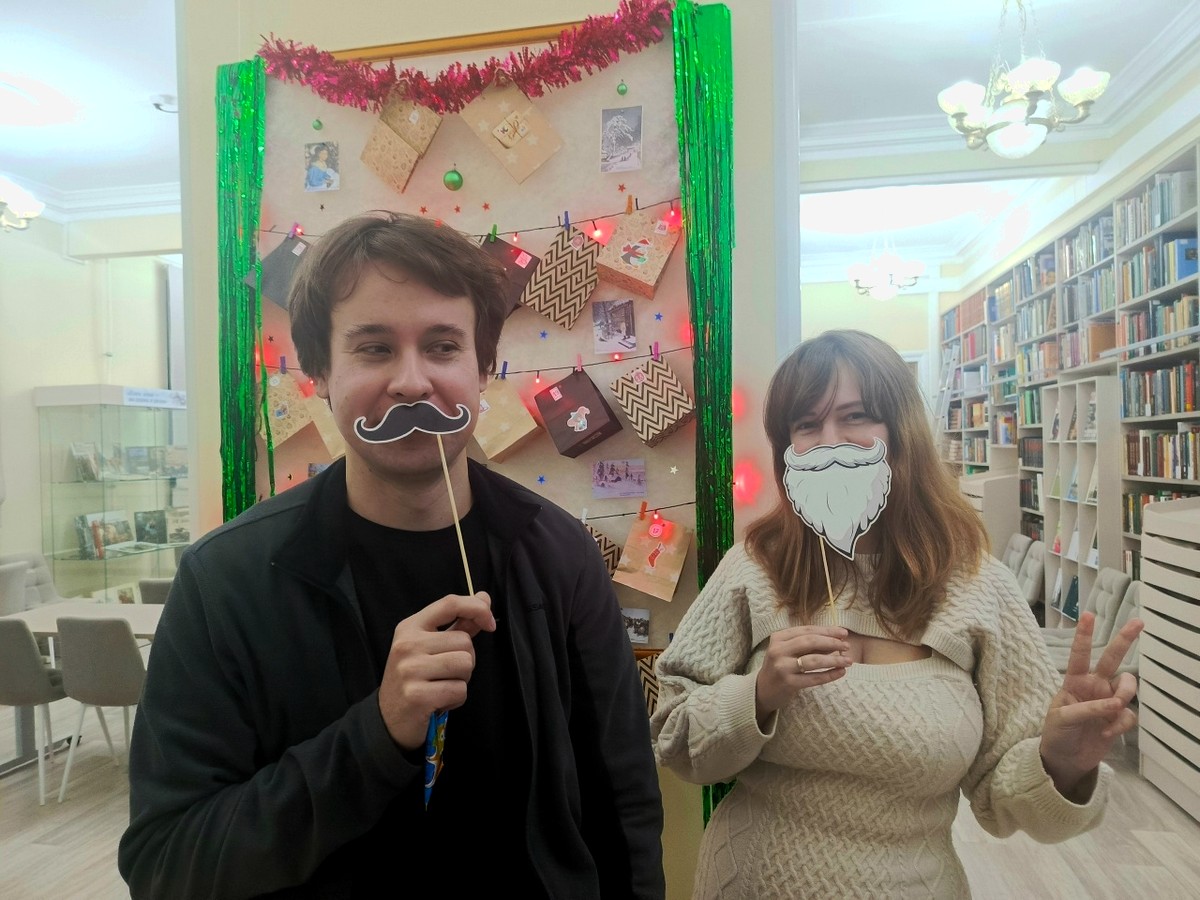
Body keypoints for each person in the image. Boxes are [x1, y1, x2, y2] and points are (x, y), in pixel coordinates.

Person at [118, 212, 665, 899]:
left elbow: (623, 801)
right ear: (320, 371)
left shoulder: (559, 556)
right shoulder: (225, 580)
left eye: (442, 347)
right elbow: (167, 863)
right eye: (374, 349)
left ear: (483, 369)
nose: (412, 382)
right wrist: (376, 734)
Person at [650, 329, 1141, 899]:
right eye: (806, 425)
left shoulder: (977, 584)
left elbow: (1006, 799)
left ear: (901, 431)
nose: (830, 443)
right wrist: (756, 696)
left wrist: (1062, 763)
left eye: (855, 416)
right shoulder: (754, 567)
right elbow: (675, 738)